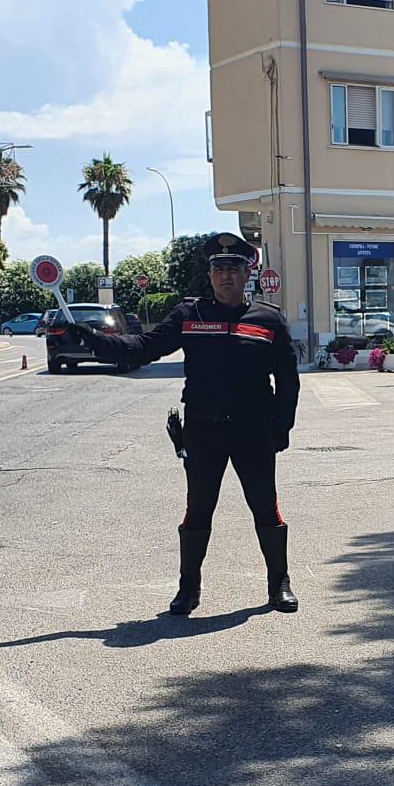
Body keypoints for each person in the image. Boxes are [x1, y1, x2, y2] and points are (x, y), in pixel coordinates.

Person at [77, 232, 302, 615]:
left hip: (252, 431)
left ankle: (279, 583)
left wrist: (282, 427)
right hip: (203, 430)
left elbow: (288, 379)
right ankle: (188, 589)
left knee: (265, 506)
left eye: (234, 268)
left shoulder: (269, 320)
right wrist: (96, 341)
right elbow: (144, 347)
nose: (226, 275)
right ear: (210, 274)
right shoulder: (189, 316)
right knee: (198, 509)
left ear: (248, 273)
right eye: (219, 269)